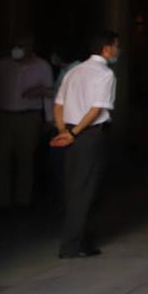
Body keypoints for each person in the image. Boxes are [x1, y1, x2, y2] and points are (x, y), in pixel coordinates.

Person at [51, 30, 119, 259]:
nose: (118, 50)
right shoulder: (106, 74)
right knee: (86, 189)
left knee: (74, 187)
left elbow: (58, 104)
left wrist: (63, 130)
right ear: (107, 48)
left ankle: (83, 238)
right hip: (89, 135)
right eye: (116, 46)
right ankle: (71, 245)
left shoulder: (73, 71)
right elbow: (97, 108)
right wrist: (75, 132)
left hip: (70, 132)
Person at [0, 36, 53, 210]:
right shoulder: (3, 64)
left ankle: (22, 201)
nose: (17, 49)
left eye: (21, 45)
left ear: (31, 46)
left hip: (29, 117)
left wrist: (49, 119)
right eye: (15, 45)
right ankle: (1, 201)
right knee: (0, 159)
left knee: (25, 159)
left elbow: (48, 94)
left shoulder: (42, 66)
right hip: (3, 116)